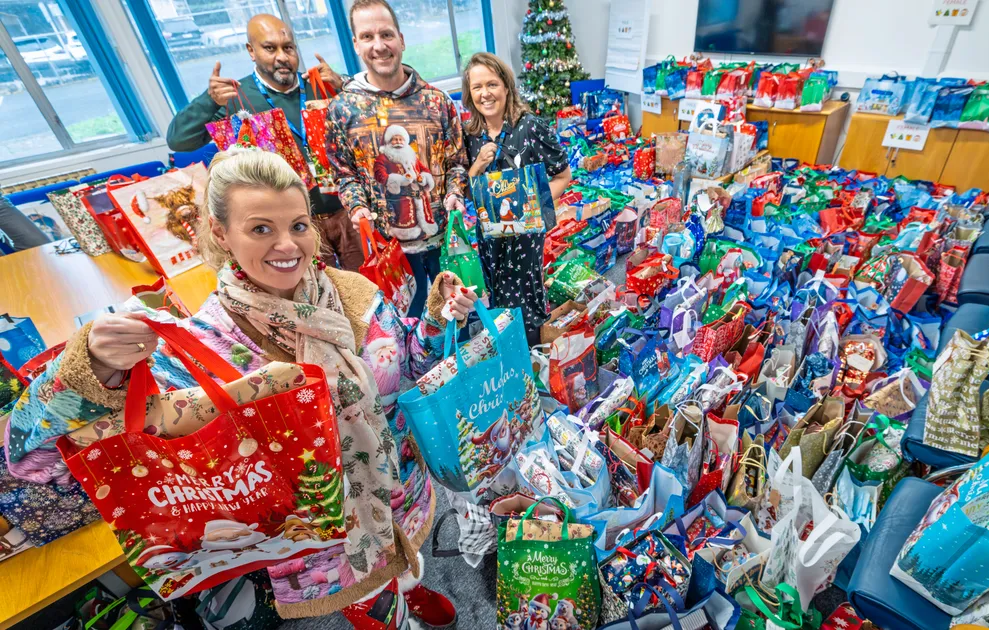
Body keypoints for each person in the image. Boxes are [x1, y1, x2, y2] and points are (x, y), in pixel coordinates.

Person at [4, 149, 475, 626]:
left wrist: (438, 321)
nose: (288, 245)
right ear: (220, 234)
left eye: (298, 225)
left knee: (405, 564)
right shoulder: (201, 350)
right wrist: (90, 366)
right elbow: (28, 457)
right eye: (261, 229)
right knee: (375, 606)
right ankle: (380, 606)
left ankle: (409, 585)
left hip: (402, 491)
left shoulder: (353, 292)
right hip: (324, 542)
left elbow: (411, 364)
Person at [165, 14, 364, 272]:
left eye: (288, 48)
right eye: (270, 48)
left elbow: (368, 123)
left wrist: (343, 87)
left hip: (345, 211)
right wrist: (209, 101)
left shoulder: (319, 85)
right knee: (316, 294)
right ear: (251, 51)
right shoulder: (235, 98)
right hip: (292, 226)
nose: (282, 56)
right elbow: (178, 140)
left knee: (368, 287)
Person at [326, 0, 469, 319]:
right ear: (355, 44)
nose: (378, 45)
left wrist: (454, 193)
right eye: (367, 36)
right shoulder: (342, 110)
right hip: (391, 247)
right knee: (412, 315)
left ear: (401, 40)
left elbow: (456, 161)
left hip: (442, 234)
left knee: (457, 306)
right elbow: (344, 174)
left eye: (386, 34)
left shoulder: (437, 102)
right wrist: (356, 206)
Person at [460, 52, 572, 346]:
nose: (485, 93)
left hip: (524, 235)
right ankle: (508, 352)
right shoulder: (471, 134)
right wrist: (477, 167)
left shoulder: (530, 127)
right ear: (470, 94)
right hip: (488, 234)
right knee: (496, 294)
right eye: (477, 87)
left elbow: (563, 175)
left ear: (506, 87)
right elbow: (470, 190)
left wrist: (534, 205)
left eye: (492, 84)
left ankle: (533, 353)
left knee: (526, 296)